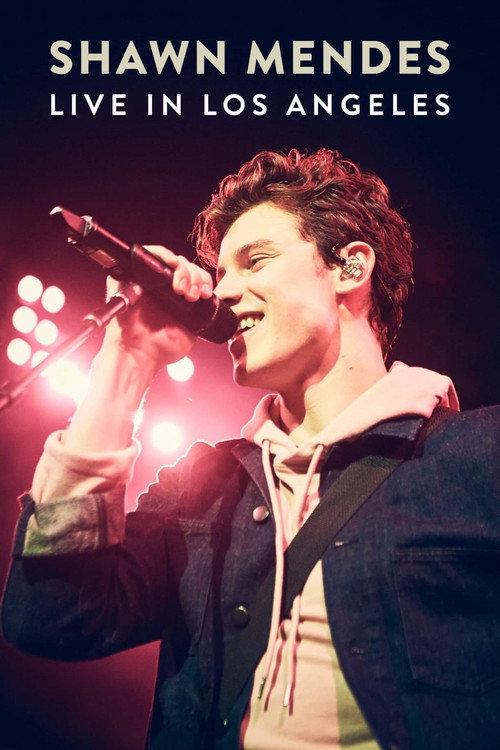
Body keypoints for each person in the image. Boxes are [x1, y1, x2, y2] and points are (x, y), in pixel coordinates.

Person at [1, 149, 498, 750]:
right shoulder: (201, 486)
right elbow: (50, 617)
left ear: (349, 266)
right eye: (220, 273)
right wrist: (127, 361)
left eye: (254, 261)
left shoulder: (479, 455)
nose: (223, 291)